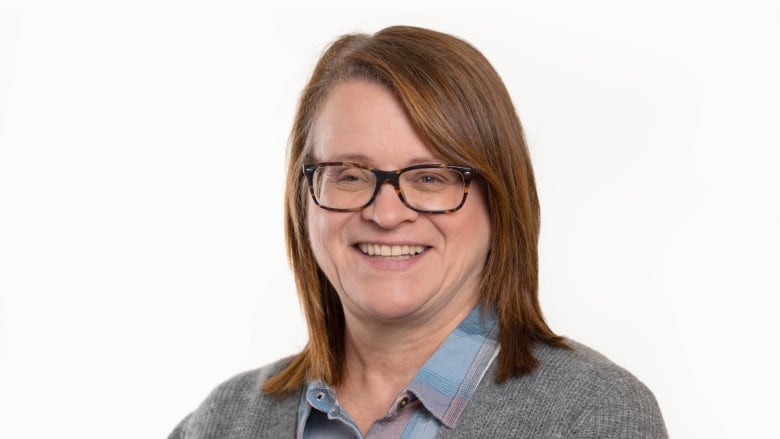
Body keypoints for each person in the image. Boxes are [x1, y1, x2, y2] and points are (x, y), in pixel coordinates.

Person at [169, 25, 667, 438]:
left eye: (430, 177)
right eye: (349, 174)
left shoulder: (591, 417)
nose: (386, 214)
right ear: (305, 199)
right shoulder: (224, 422)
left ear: (500, 197)